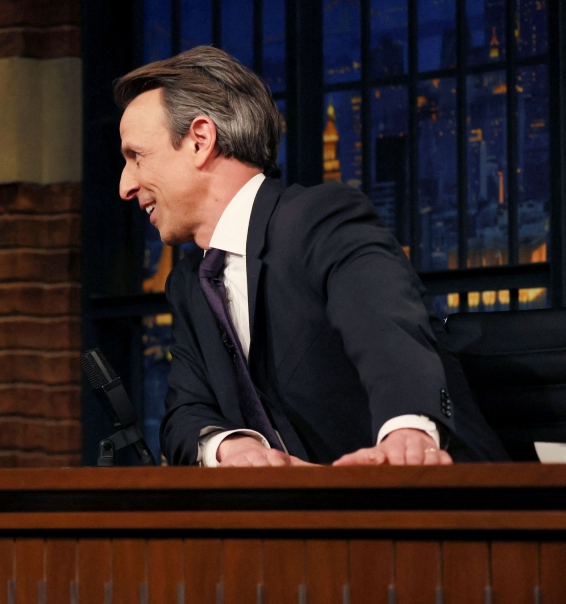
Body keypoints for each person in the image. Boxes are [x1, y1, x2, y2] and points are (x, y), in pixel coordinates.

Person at [115, 47, 507, 467]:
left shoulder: (320, 220)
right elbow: (184, 414)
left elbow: (387, 331)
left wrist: (406, 430)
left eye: (136, 157)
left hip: (450, 505)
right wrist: (233, 447)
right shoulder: (192, 282)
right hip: (312, 519)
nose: (125, 186)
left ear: (199, 140)